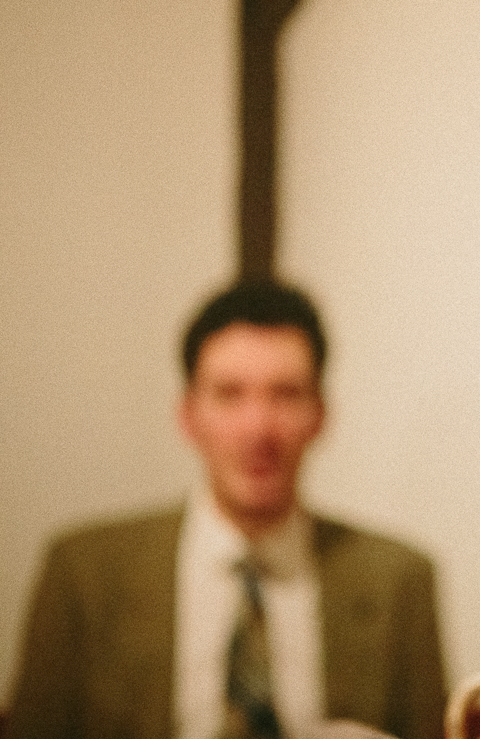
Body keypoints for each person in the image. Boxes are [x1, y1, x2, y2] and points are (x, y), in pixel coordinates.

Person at [6, 280, 447, 739]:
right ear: (188, 415)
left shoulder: (398, 580)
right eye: (229, 394)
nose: (258, 428)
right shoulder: (84, 573)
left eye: (286, 394)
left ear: (320, 415)